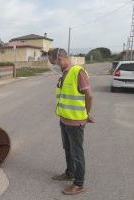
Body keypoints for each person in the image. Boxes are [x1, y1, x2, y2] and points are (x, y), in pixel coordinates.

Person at [48, 48, 94, 195]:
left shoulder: (78, 72)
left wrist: (87, 113)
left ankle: (79, 184)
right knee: (67, 149)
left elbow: (89, 96)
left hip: (75, 122)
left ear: (60, 59)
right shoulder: (65, 74)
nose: (54, 66)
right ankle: (70, 173)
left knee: (77, 153)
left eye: (54, 63)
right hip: (64, 120)